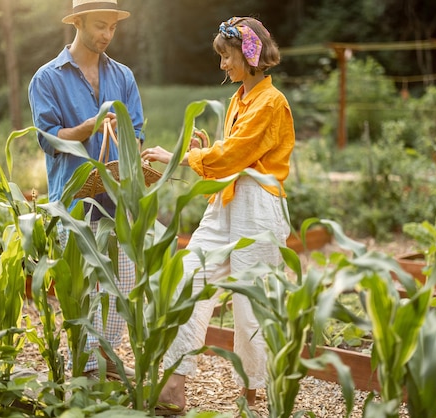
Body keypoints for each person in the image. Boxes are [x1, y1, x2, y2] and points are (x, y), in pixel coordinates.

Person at [141, 16, 294, 415]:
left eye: (227, 57)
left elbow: (233, 158)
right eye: (221, 57)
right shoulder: (238, 99)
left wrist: (180, 156)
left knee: (251, 307)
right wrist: (208, 147)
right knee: (187, 281)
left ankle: (253, 396)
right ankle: (174, 386)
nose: (222, 65)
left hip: (257, 209)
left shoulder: (272, 102)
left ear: (249, 54)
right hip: (225, 201)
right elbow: (231, 153)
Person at [28, 0, 145, 379]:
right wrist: (90, 127)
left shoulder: (124, 76)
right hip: (75, 200)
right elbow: (50, 140)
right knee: (85, 288)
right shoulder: (47, 78)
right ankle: (87, 366)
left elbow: (137, 133)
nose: (106, 35)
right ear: (76, 22)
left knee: (122, 284)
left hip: (117, 194)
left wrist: (130, 148)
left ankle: (106, 356)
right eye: (99, 26)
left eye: (112, 27)